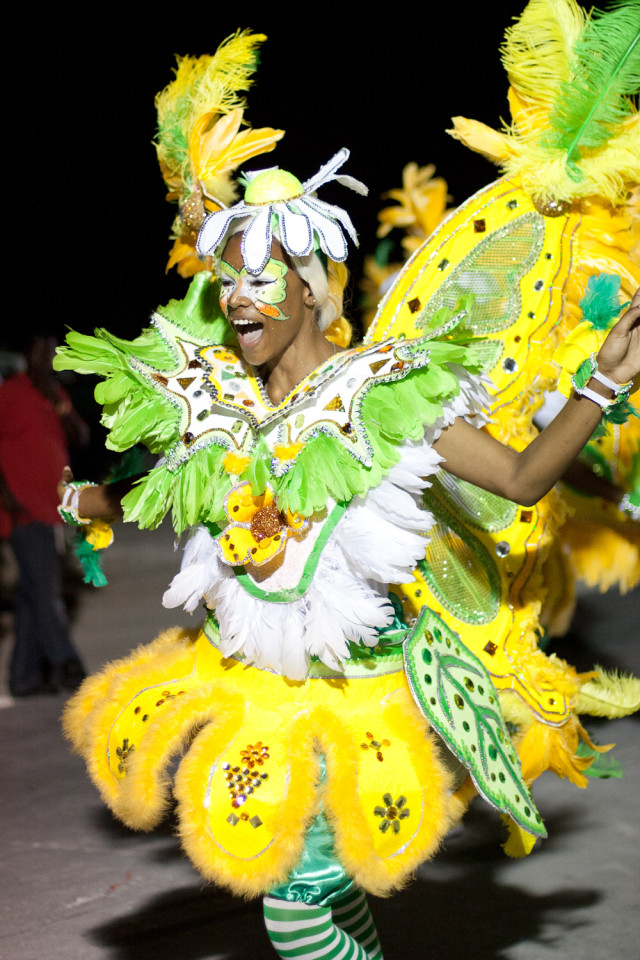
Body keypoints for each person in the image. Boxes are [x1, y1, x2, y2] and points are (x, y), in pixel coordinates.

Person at [54, 149, 640, 960]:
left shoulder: (383, 388)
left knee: (296, 909)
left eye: (259, 279)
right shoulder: (224, 397)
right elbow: (166, 490)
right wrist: (66, 497)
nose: (236, 298)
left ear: (307, 286)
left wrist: (602, 385)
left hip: (361, 692)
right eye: (228, 280)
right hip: (257, 686)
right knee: (321, 905)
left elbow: (521, 478)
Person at [0, 335, 88, 697]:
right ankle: (69, 667)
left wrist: (59, 405)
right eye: (40, 351)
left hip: (53, 509)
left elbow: (80, 436)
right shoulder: (10, 394)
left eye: (51, 352)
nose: (47, 358)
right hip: (22, 509)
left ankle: (24, 677)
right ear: (26, 355)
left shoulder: (53, 395)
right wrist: (6, 495)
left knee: (32, 594)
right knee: (47, 589)